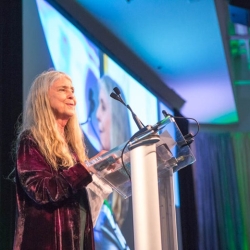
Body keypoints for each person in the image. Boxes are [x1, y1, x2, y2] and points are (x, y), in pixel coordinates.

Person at [13, 69, 112, 250]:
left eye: (72, 90)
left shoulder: (73, 151)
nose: (71, 95)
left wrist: (101, 175)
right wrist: (86, 168)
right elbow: (41, 190)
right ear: (43, 98)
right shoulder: (31, 140)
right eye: (62, 89)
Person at [93, 75, 132, 249]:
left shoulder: (134, 176)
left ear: (116, 116)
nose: (97, 115)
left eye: (102, 106)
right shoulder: (91, 171)